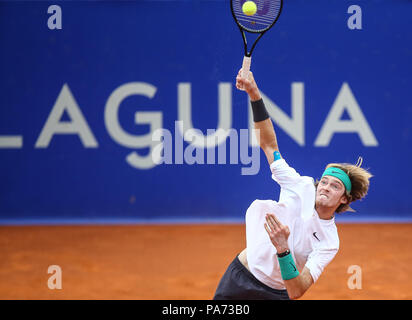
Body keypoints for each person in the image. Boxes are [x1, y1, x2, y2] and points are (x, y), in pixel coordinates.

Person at [213, 70, 373, 300]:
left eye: (335, 186)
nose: (325, 187)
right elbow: (269, 145)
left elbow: (297, 290)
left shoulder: (330, 241)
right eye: (324, 181)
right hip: (239, 278)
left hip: (276, 294)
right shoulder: (301, 185)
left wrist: (282, 248)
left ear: (344, 199)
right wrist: (254, 93)